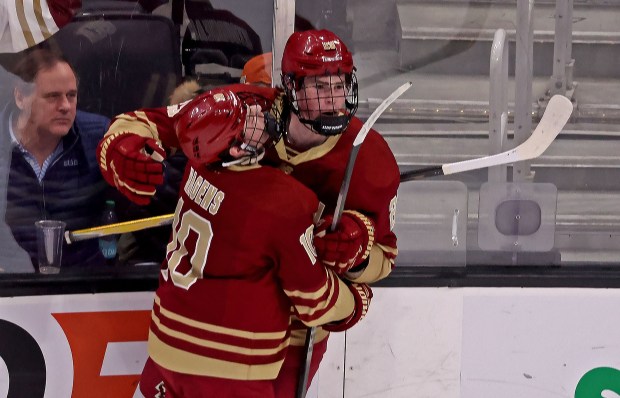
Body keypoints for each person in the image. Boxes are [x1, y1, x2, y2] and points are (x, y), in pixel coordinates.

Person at [97, 85, 372, 397]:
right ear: (236, 148)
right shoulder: (286, 201)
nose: (257, 113)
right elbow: (314, 300)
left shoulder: (196, 168)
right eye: (245, 120)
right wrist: (355, 300)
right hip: (232, 369)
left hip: (166, 352)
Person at [262, 29, 401, 396]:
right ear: (290, 87)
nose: (332, 100)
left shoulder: (370, 157)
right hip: (231, 313)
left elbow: (384, 258)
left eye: (338, 86)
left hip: (297, 331)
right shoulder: (253, 124)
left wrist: (355, 253)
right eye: (319, 88)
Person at [2, 48, 111, 270]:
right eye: (52, 97)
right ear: (20, 97)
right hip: (12, 288)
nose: (65, 106)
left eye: (71, 95)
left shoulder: (100, 139)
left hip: (84, 287)